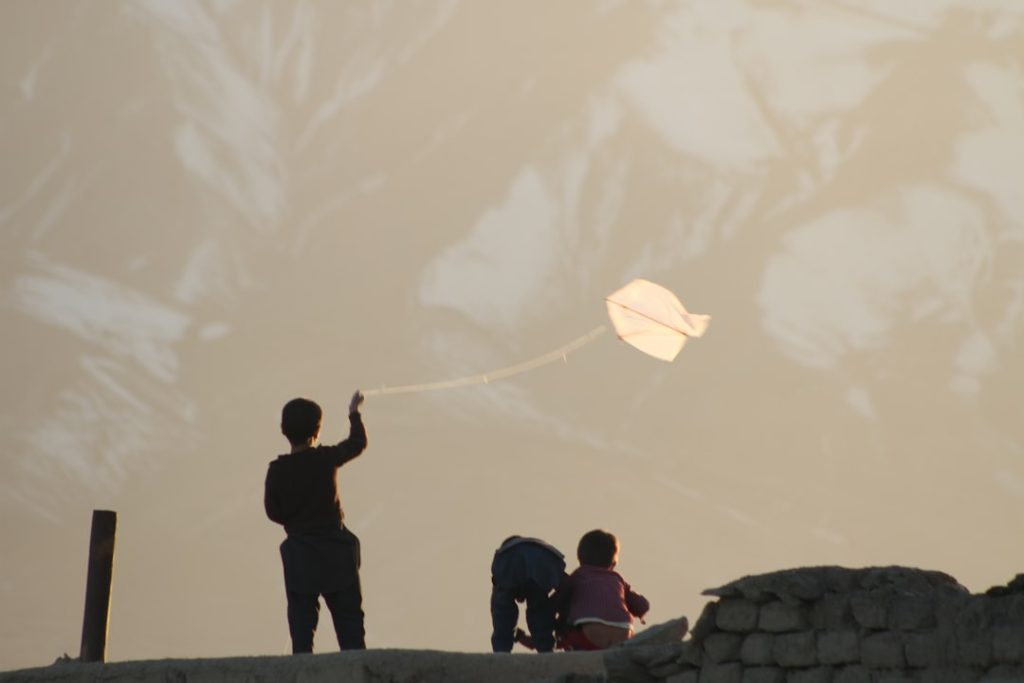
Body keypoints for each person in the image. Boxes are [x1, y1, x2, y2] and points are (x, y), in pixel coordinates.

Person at [264, 390, 368, 653]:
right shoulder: (325, 459)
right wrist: (354, 413)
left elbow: (273, 512)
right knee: (350, 630)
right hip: (336, 553)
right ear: (317, 430)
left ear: (283, 430)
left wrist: (297, 521)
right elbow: (357, 443)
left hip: (300, 557)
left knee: (301, 631)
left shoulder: (277, 470)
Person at [557, 529, 649, 650]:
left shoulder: (578, 575)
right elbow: (643, 605)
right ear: (614, 563)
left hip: (590, 634)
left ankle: (570, 648)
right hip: (624, 632)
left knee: (565, 624)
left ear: (580, 558)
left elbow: (558, 601)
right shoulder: (618, 579)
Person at [490, 536, 567, 653]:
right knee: (539, 608)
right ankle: (545, 647)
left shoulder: (507, 561)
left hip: (509, 557)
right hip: (545, 558)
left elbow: (495, 605)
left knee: (503, 609)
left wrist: (515, 635)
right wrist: (552, 610)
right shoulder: (538, 554)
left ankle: (502, 650)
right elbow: (566, 586)